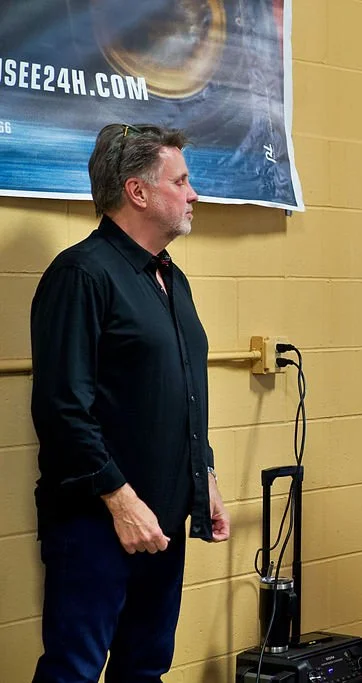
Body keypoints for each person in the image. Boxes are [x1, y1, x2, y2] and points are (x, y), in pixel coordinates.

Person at [29, 123, 230, 683]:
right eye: (181, 181)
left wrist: (204, 478)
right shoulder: (81, 274)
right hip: (98, 521)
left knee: (144, 668)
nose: (194, 194)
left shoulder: (172, 278)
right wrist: (121, 502)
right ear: (138, 192)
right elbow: (61, 407)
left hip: (162, 518)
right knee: (74, 669)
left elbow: (183, 391)